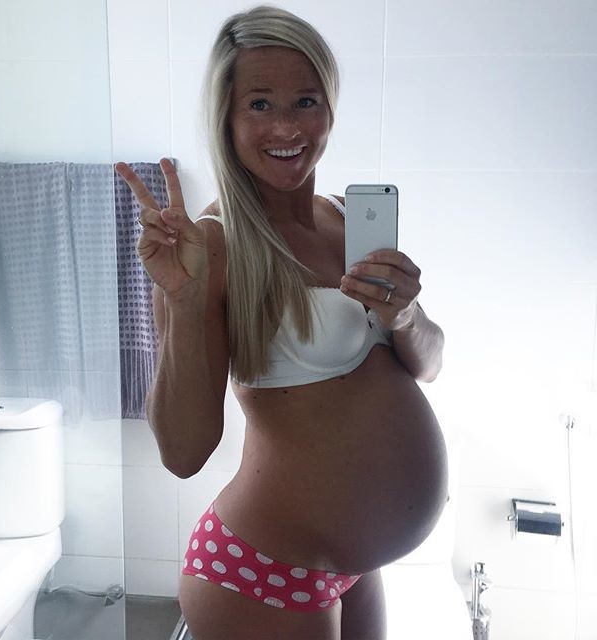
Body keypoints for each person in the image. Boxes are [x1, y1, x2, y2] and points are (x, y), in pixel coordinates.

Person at [116, 6, 448, 639]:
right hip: (264, 572)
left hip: (357, 567)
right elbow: (183, 454)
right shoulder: (213, 246)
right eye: (260, 104)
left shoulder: (347, 217)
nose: (287, 126)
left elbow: (429, 366)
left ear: (330, 108)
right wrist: (183, 302)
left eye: (306, 101)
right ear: (227, 117)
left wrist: (406, 314)